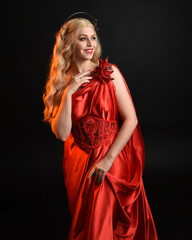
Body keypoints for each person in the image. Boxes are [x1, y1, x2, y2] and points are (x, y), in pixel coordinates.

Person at [43, 12, 158, 240]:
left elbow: (131, 120)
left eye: (93, 37)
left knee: (103, 219)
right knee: (88, 221)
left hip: (112, 156)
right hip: (79, 161)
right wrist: (68, 94)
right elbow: (62, 133)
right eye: (82, 38)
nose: (90, 44)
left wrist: (107, 160)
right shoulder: (62, 82)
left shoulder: (110, 73)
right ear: (69, 44)